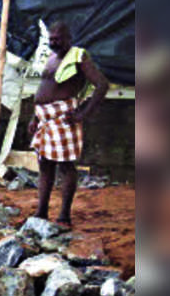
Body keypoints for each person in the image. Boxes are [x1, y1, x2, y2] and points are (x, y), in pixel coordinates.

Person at [27, 21, 109, 226]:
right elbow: (44, 89)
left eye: (58, 39)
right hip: (45, 117)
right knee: (45, 164)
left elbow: (101, 84)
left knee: (65, 165)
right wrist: (34, 117)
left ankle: (64, 215)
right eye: (51, 39)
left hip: (63, 116)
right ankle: (41, 211)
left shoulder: (79, 56)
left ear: (69, 39)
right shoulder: (52, 57)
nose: (54, 43)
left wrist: (84, 113)